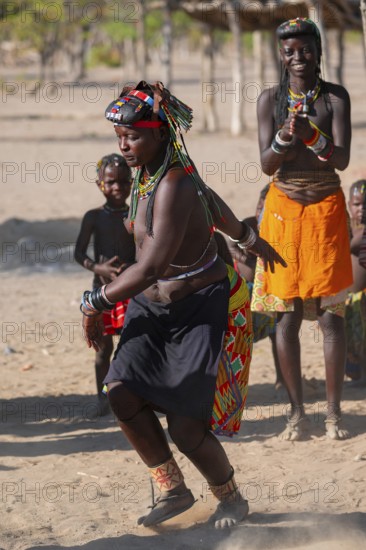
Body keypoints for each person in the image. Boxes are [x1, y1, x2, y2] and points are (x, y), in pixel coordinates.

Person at [80, 81, 286, 528]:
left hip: (196, 309)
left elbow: (151, 265)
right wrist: (248, 236)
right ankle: (173, 488)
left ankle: (230, 498)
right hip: (151, 309)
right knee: (120, 393)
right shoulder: (152, 172)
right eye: (119, 137)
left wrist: (93, 302)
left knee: (186, 427)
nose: (124, 145)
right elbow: (213, 202)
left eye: (132, 136)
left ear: (159, 133)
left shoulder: (173, 182)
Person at [252, 17, 352, 441]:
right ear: (280, 54)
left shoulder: (334, 98)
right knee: (287, 318)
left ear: (318, 50)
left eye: (305, 49)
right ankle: (297, 415)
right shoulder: (269, 99)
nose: (298, 58)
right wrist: (282, 140)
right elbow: (266, 165)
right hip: (283, 210)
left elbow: (342, 160)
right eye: (289, 51)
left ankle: (333, 415)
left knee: (331, 317)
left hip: (327, 208)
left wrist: (312, 136)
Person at [75, 154, 135, 414]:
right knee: (102, 350)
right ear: (100, 183)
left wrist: (132, 268)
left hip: (132, 290)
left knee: (133, 346)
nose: (118, 188)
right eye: (111, 182)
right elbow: (79, 253)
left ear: (132, 183)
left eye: (124, 182)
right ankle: (102, 399)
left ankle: (132, 396)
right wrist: (98, 268)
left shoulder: (136, 214)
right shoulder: (94, 217)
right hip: (101, 293)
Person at [228, 185, 283, 389]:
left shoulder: (277, 230)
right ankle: (235, 382)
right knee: (238, 338)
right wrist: (250, 260)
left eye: (268, 208)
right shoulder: (248, 225)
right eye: (260, 207)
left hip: (268, 291)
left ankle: (282, 377)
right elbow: (229, 244)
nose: (262, 212)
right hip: (244, 290)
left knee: (278, 332)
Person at [345, 180, 366, 381]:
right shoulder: (346, 227)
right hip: (347, 299)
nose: (362, 209)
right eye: (357, 204)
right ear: (349, 205)